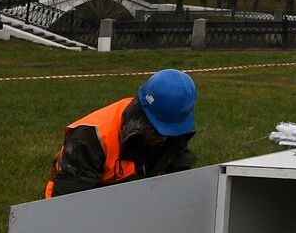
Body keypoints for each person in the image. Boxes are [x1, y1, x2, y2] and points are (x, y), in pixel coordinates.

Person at [44, 68, 198, 198]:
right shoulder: (88, 137)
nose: (164, 138)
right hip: (79, 205)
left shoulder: (172, 132)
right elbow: (68, 204)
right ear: (142, 115)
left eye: (169, 131)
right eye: (157, 130)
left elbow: (177, 184)